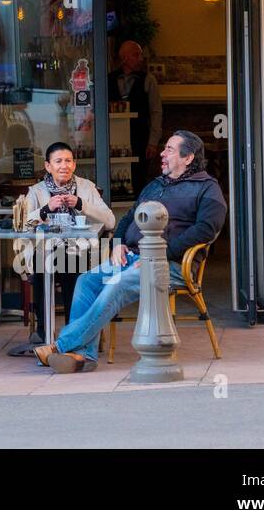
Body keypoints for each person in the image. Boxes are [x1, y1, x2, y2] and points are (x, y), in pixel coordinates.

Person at [34, 130, 226, 374]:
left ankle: (61, 345)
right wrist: (118, 244)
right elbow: (127, 218)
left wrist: (158, 255)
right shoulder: (155, 185)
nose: (162, 153)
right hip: (131, 258)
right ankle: (83, 355)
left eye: (169, 149)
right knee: (87, 280)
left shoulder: (207, 189)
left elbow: (206, 230)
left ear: (188, 158)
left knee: (116, 284)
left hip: (169, 265)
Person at [20, 141, 115, 348]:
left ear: (74, 164)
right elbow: (24, 224)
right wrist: (45, 209)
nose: (64, 165)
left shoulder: (86, 187)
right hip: (45, 249)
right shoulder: (36, 191)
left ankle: (74, 331)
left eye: (68, 161)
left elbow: (110, 220)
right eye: (58, 161)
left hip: (79, 249)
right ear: (48, 166)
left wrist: (81, 204)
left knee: (71, 264)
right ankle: (45, 330)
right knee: (43, 266)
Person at [109, 40, 163, 195]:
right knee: (116, 180)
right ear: (124, 58)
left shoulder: (148, 80)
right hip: (114, 141)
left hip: (140, 139)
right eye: (136, 54)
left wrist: (153, 142)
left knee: (139, 180)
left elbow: (156, 112)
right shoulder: (109, 79)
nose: (141, 58)